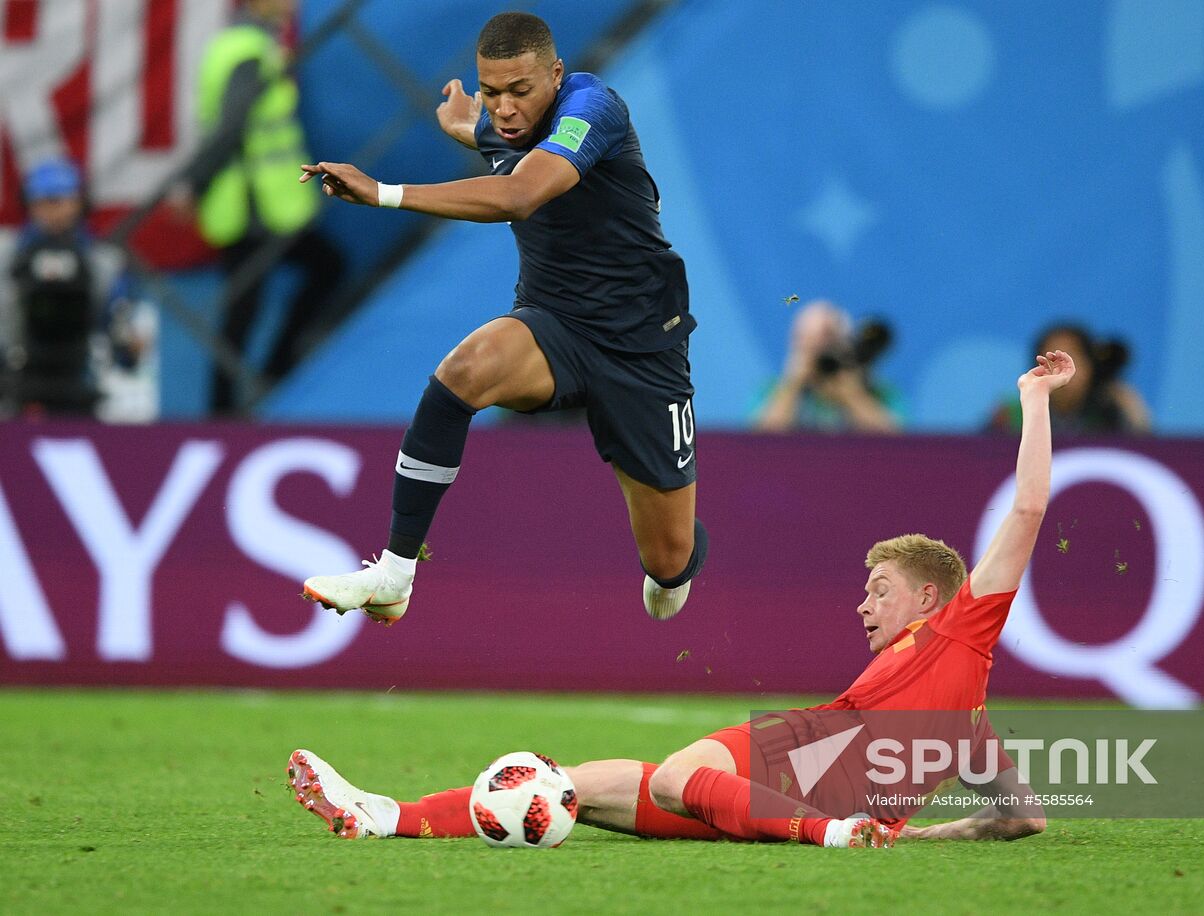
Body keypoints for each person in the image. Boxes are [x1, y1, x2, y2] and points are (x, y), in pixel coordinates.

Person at [285, 351, 1075, 847]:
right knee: (575, 788)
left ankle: (827, 833)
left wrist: (1034, 402)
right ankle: (385, 816)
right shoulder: (966, 723)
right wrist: (914, 836)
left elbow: (1029, 510)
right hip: (795, 785)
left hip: (796, 762)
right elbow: (1022, 816)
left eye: (881, 591)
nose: (863, 608)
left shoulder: (962, 633)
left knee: (671, 778)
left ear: (935, 597)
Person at [299, 12, 704, 625]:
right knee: (462, 373)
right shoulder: (501, 123)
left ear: (557, 76)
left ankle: (673, 555)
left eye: (521, 91)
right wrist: (466, 119)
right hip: (555, 322)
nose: (505, 109)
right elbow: (484, 131)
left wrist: (384, 191)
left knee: (668, 563)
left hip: (643, 345)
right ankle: (394, 574)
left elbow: (519, 193)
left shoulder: (594, 108)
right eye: (492, 91)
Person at [181, 0, 346, 415]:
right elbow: (232, 126)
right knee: (243, 309)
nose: (293, 4)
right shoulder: (250, 52)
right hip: (253, 205)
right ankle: (227, 408)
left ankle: (268, 374)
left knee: (310, 275)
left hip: (270, 205)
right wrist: (196, 183)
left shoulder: (246, 43)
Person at [0, 158, 151, 419]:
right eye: (43, 202)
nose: (53, 211)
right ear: (29, 205)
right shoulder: (5, 255)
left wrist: (129, 346)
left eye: (61, 200)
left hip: (79, 378)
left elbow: (120, 332)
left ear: (80, 203)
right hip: (14, 377)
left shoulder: (104, 263)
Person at [752, 300, 901, 433]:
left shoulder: (879, 392)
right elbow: (759, 443)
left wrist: (852, 395)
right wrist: (792, 386)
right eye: (808, 340)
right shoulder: (774, 391)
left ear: (846, 343)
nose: (819, 348)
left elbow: (898, 445)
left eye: (828, 338)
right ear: (793, 344)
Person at [985, 323, 1149, 436]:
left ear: (1090, 366)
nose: (1061, 370)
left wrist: (1131, 411)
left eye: (1072, 357)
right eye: (1051, 359)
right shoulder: (1011, 413)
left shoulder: (1111, 409)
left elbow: (1146, 455)